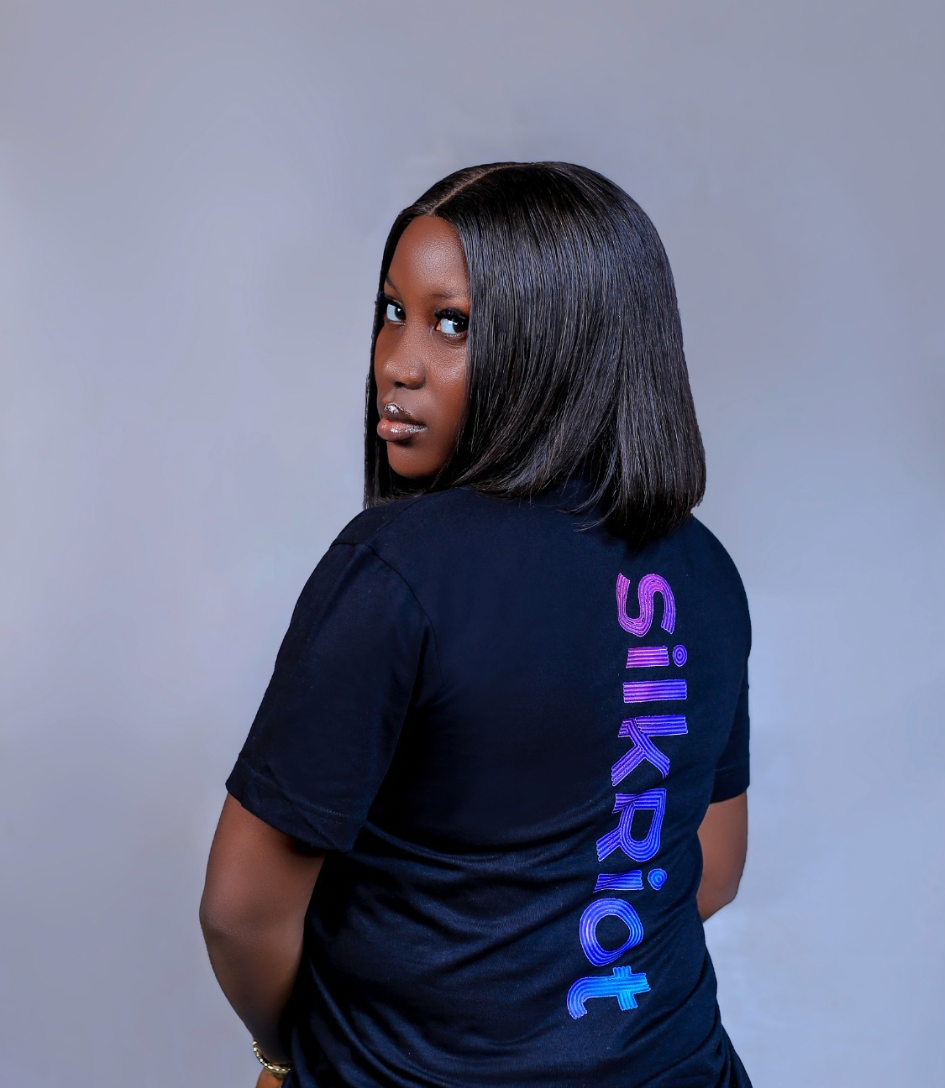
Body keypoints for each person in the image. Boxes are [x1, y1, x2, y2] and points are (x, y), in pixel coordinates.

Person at [199, 161, 753, 1088]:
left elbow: (241, 910)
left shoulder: (396, 570)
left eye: (452, 324)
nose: (397, 363)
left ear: (562, 345)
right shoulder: (705, 571)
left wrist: (286, 1052)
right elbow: (713, 868)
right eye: (392, 312)